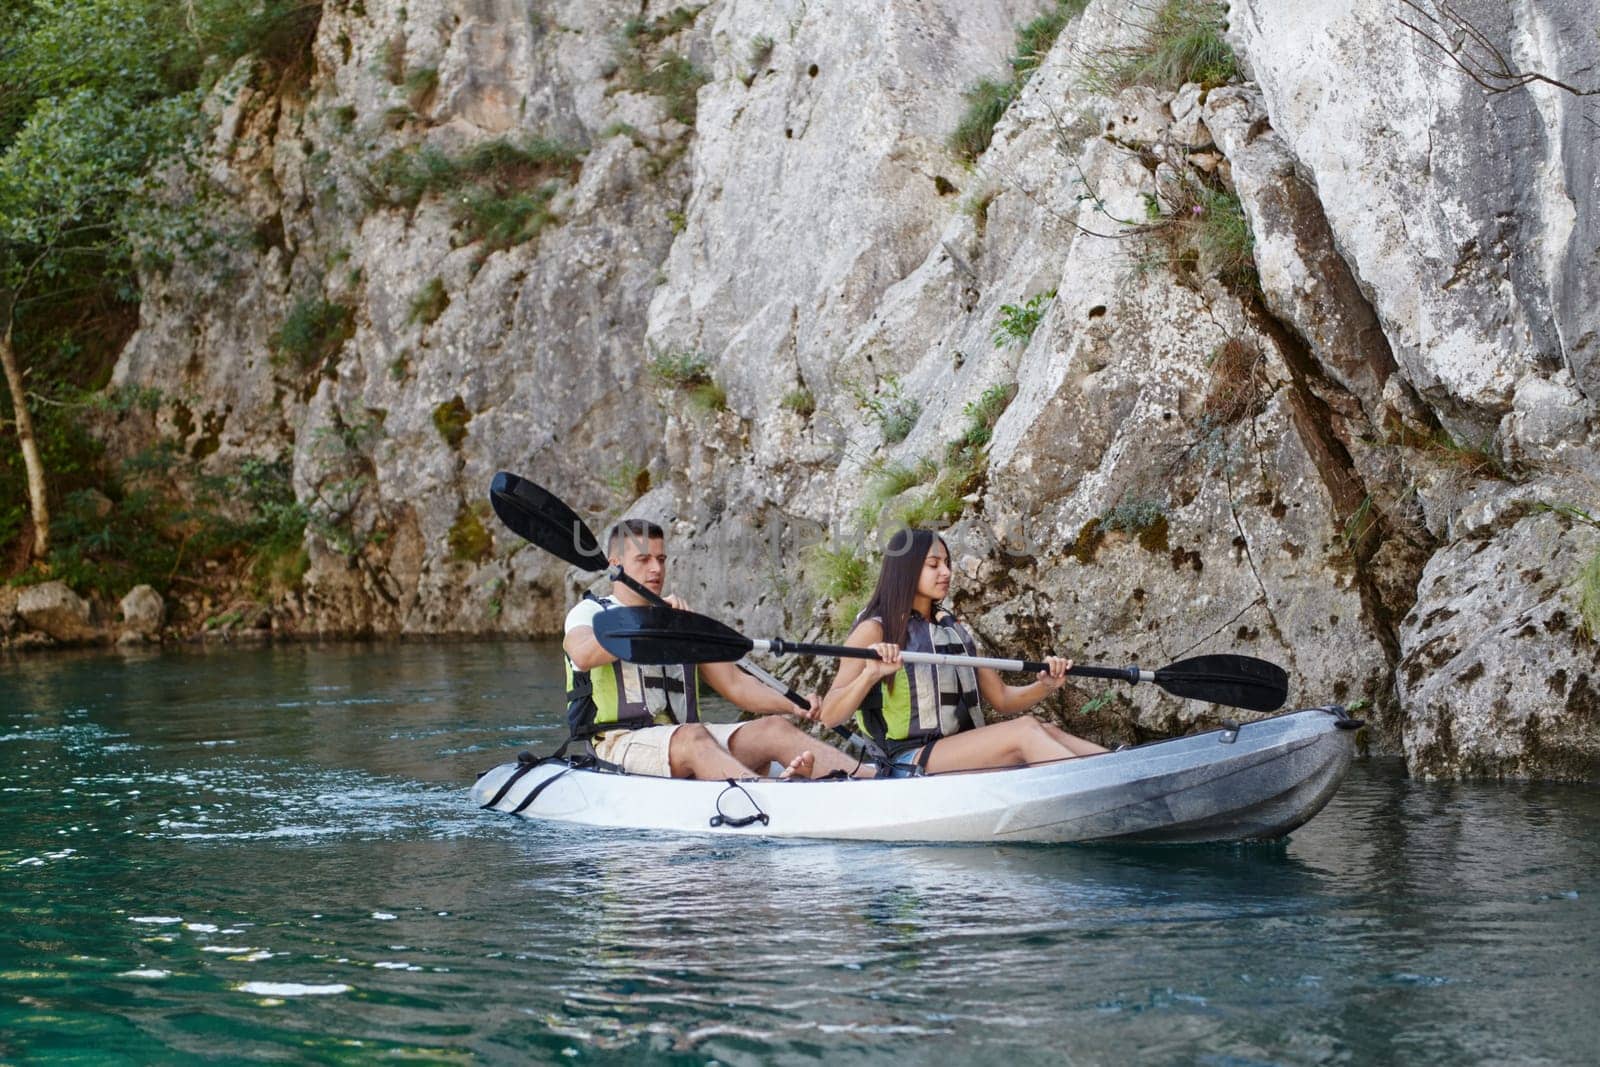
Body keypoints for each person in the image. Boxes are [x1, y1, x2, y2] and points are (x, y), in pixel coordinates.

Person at [565, 518, 861, 780]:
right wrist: (649, 624)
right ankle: (774, 794)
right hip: (618, 743)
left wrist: (792, 705)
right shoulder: (589, 613)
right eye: (643, 559)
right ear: (616, 565)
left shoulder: (678, 620)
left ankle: (873, 778)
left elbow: (735, 684)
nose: (656, 568)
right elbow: (582, 654)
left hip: (683, 741)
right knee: (693, 736)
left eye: (661, 558)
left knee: (774, 729)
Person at [819, 528, 1107, 775]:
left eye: (946, 563)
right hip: (906, 763)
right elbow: (830, 715)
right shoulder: (874, 630)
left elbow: (1003, 698)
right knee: (1025, 732)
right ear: (906, 571)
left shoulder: (951, 630)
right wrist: (869, 675)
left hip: (952, 752)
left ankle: (1123, 770)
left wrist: (1045, 686)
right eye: (933, 565)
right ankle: (1104, 789)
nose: (946, 572)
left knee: (1046, 729)